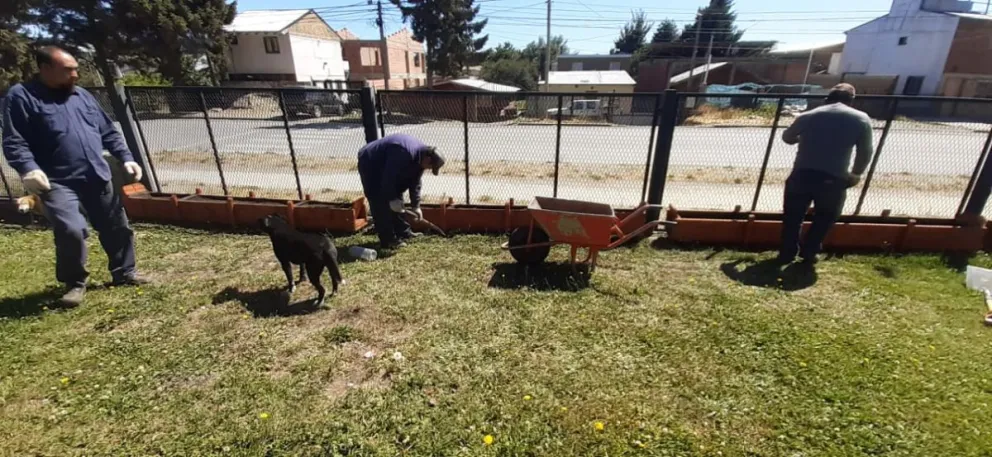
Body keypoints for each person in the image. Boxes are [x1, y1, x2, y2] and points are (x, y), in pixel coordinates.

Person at [2, 46, 148, 307]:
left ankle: (124, 272)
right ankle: (74, 283)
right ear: (45, 69)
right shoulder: (22, 97)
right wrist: (28, 168)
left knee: (116, 225)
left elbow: (108, 131)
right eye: (68, 70)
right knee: (71, 229)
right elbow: (14, 141)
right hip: (56, 180)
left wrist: (126, 157)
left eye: (76, 69)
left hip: (96, 173)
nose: (75, 75)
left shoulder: (82, 96)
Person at [778, 83, 873, 265]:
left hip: (802, 174)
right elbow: (865, 151)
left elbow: (787, 137)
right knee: (825, 217)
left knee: (793, 216)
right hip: (834, 178)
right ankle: (809, 251)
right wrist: (856, 174)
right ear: (851, 101)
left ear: (827, 98)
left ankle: (787, 252)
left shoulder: (808, 116)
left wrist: (802, 139)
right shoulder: (861, 119)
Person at [357, 133, 445, 249]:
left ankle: (403, 233)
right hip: (370, 161)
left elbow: (415, 181)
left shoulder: (420, 156)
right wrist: (393, 199)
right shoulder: (404, 153)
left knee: (397, 194)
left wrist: (416, 206)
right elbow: (389, 178)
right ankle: (388, 240)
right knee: (378, 199)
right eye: (430, 167)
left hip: (387, 163)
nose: (428, 169)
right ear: (428, 159)